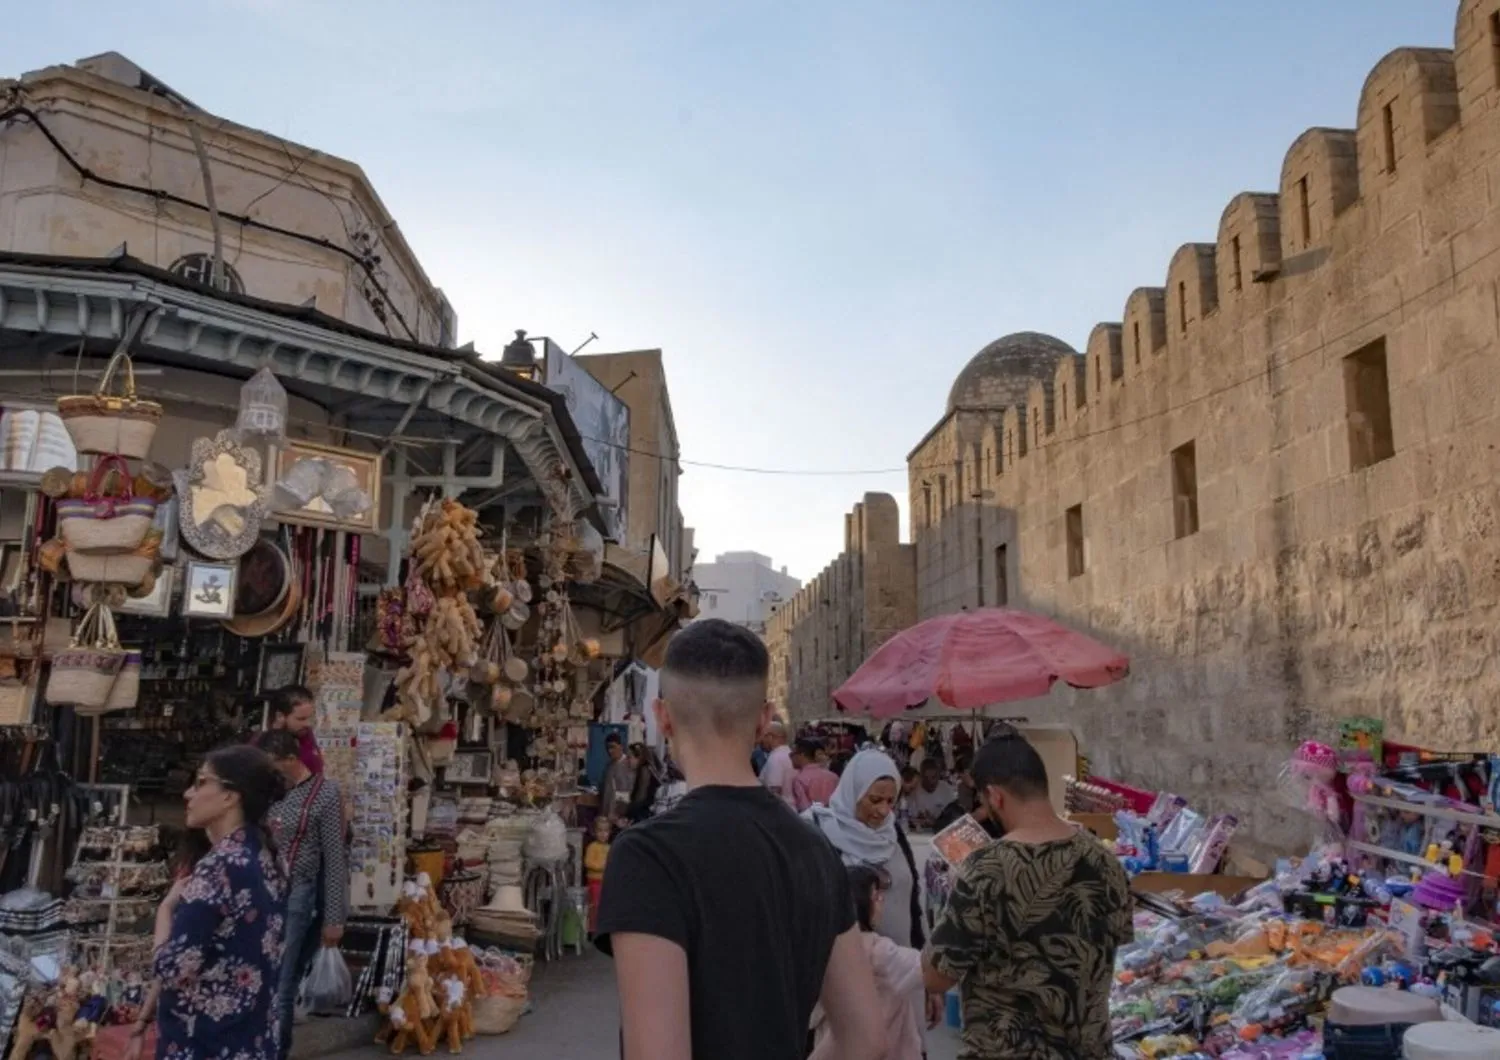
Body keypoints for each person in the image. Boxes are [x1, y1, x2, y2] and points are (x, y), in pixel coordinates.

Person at [595, 618, 882, 1060]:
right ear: (764, 718)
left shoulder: (648, 856)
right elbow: (865, 1038)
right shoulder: (814, 848)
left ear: (662, 715)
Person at [923, 735, 1133, 1059]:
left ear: (995, 796)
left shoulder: (985, 869)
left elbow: (936, 976)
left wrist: (956, 892)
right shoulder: (1105, 862)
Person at [136, 744, 288, 1060]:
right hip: (253, 1039)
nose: (188, 794)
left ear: (231, 797)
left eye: (202, 782)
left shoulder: (219, 866)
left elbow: (172, 968)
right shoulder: (267, 858)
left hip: (206, 1042)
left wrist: (165, 910)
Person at [260, 729, 349, 1059]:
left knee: (283, 981)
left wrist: (334, 917)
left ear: (288, 760)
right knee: (271, 977)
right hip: (265, 892)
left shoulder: (324, 794)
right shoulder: (271, 793)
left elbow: (334, 856)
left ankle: (276, 1052)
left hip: (298, 894)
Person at [804, 749, 925, 951]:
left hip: (898, 968)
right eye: (875, 800)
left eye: (890, 801)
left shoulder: (892, 833)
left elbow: (912, 901)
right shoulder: (821, 835)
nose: (883, 811)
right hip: (846, 968)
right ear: (854, 792)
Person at [809, 866, 925, 1060]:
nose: (882, 903)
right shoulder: (880, 952)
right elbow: (930, 966)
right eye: (877, 896)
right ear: (862, 904)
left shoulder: (823, 948)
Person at [267, 685, 323, 775]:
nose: (308, 724)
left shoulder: (305, 736)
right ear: (280, 716)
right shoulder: (263, 748)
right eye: (301, 719)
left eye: (310, 718)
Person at [790, 738, 840, 812]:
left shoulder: (800, 780)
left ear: (802, 754)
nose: (791, 758)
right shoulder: (833, 777)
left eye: (792, 754)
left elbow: (804, 809)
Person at [906, 758, 956, 830]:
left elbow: (954, 818)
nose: (931, 782)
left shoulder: (946, 789)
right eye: (926, 778)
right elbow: (906, 815)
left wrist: (936, 822)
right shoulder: (914, 789)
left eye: (934, 777)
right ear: (921, 776)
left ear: (939, 775)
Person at [599, 734, 637, 826]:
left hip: (621, 818)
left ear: (621, 746)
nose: (610, 751)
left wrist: (618, 812)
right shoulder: (609, 766)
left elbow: (629, 792)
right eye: (608, 748)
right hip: (607, 816)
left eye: (613, 747)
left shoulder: (628, 766)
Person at [757, 719, 796, 809]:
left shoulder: (775, 758)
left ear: (770, 737)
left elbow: (774, 790)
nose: (760, 741)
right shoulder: (789, 753)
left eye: (762, 736)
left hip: (782, 810)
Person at [622, 743, 664, 825]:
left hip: (644, 816)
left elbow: (640, 797)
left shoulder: (644, 770)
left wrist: (627, 814)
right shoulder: (648, 769)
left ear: (639, 758)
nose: (627, 761)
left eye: (629, 757)